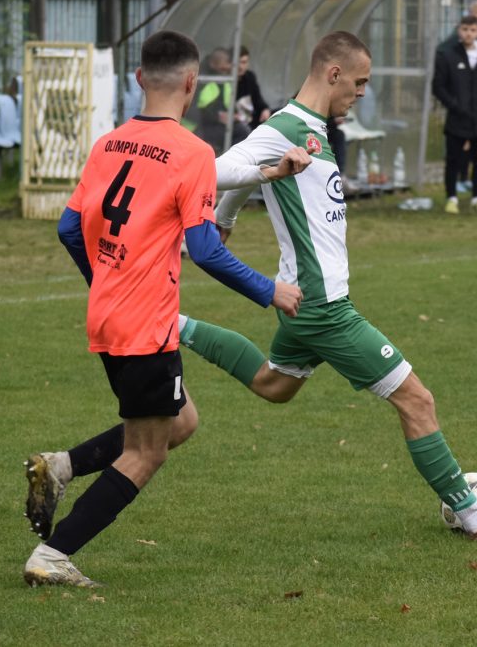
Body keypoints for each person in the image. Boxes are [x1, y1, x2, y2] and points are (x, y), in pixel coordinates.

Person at [194, 31, 477, 540]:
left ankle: (172, 324)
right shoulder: (286, 127)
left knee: (274, 385)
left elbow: (253, 172)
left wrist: (226, 217)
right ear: (333, 73)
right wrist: (230, 203)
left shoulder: (309, 129)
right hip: (323, 307)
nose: (361, 93)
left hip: (304, 300)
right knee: (417, 400)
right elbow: (216, 170)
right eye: (358, 82)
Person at [20, 30, 306, 589]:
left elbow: (69, 228)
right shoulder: (192, 152)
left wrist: (105, 280)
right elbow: (206, 250)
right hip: (145, 323)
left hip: (108, 314)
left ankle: (61, 466)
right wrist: (268, 290)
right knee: (147, 453)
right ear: (193, 83)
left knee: (181, 420)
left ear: (138, 79)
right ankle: (53, 555)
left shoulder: (108, 144)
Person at [432, 14, 477, 214]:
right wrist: (455, 105)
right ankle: (451, 198)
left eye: (473, 30)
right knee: (453, 160)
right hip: (457, 117)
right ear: (459, 31)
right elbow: (438, 87)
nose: (468, 34)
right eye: (465, 29)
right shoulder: (447, 55)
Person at [436, 0, 477, 195]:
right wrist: (454, 102)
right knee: (457, 144)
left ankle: (468, 180)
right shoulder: (454, 42)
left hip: (476, 104)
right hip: (458, 101)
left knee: (475, 146)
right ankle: (458, 180)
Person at [195, 47, 249, 153]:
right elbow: (192, 110)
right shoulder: (201, 79)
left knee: (243, 130)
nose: (228, 67)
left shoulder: (225, 80)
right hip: (196, 126)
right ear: (213, 64)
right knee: (241, 131)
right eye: (224, 66)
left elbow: (228, 104)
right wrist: (218, 117)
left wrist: (234, 115)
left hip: (215, 125)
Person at [236, 45, 271, 127]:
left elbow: (257, 98)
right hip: (237, 123)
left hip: (251, 119)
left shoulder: (249, 77)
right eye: (238, 62)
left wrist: (264, 109)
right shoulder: (227, 81)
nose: (240, 66)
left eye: (244, 62)